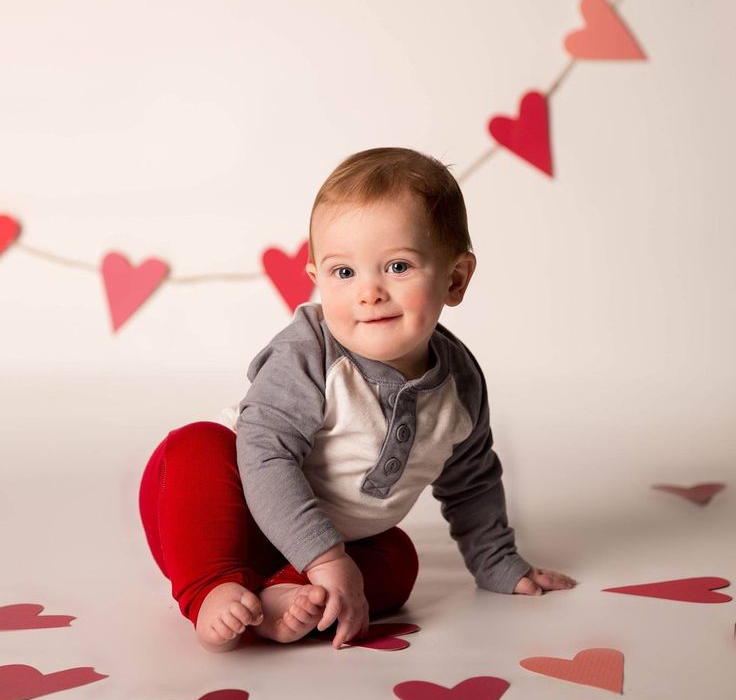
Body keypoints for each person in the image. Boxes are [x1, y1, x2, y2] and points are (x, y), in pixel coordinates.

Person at [139, 147, 576, 653]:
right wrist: (326, 558)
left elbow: (471, 481)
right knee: (196, 446)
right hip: (221, 514)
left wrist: (498, 562)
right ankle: (211, 589)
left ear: (454, 279)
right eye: (344, 273)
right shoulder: (309, 356)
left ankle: (283, 594)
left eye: (396, 266)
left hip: (331, 546)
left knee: (399, 560)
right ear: (317, 280)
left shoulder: (459, 384)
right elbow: (266, 458)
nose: (369, 292)